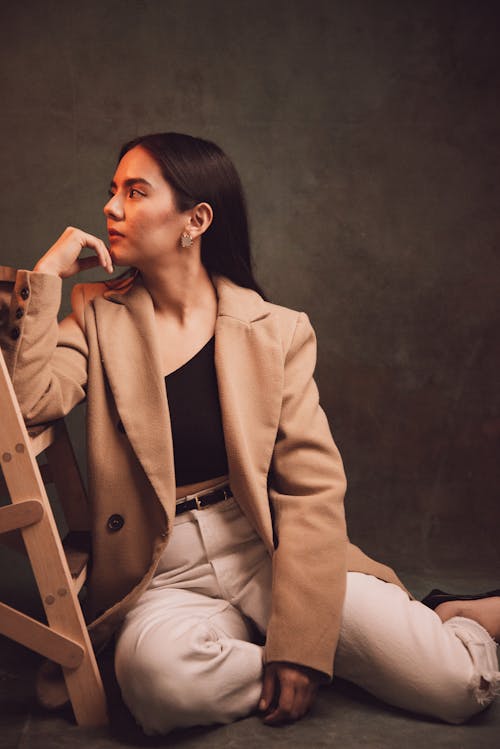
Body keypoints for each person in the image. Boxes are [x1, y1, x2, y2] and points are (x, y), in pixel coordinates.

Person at [1, 132, 499, 735]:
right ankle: (315, 658)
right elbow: (26, 408)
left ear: (196, 219)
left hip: (268, 548)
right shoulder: (94, 314)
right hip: (160, 570)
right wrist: (46, 276)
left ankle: (455, 616)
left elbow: (311, 492)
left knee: (457, 688)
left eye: (135, 192)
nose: (110, 208)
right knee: (159, 687)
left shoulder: (278, 332)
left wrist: (301, 637)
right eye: (112, 191)